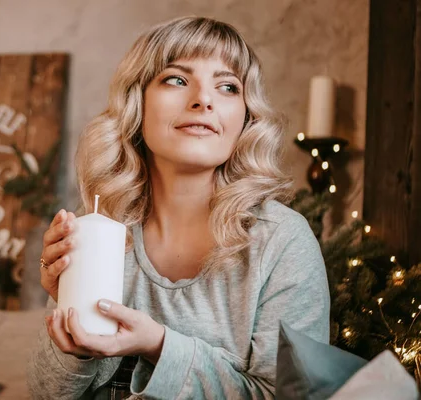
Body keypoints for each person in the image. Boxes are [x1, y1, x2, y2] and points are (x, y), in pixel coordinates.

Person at [28, 16, 330, 400]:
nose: (203, 100)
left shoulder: (281, 241)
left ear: (245, 118)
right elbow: (44, 393)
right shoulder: (101, 229)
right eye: (177, 79)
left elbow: (290, 397)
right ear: (138, 102)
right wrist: (73, 334)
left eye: (227, 86)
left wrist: (157, 345)